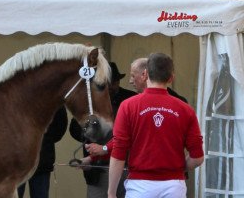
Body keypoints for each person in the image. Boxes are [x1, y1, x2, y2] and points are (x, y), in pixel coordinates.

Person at [108, 53, 204, 198]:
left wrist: (111, 192)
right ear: (171, 77)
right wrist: (177, 168)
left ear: (145, 74)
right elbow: (197, 158)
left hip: (139, 186)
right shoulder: (186, 110)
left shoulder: (128, 106)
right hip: (174, 186)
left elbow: (118, 153)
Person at [70, 62, 136, 198]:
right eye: (107, 82)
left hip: (127, 166)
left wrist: (104, 148)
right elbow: (75, 129)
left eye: (114, 82)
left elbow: (129, 136)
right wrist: (88, 134)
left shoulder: (130, 99)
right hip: (97, 169)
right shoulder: (90, 100)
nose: (111, 86)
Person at [17, 107, 68, 198]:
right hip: (16, 162)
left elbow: (60, 126)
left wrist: (45, 140)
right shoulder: (13, 94)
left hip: (41, 160)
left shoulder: (52, 95)